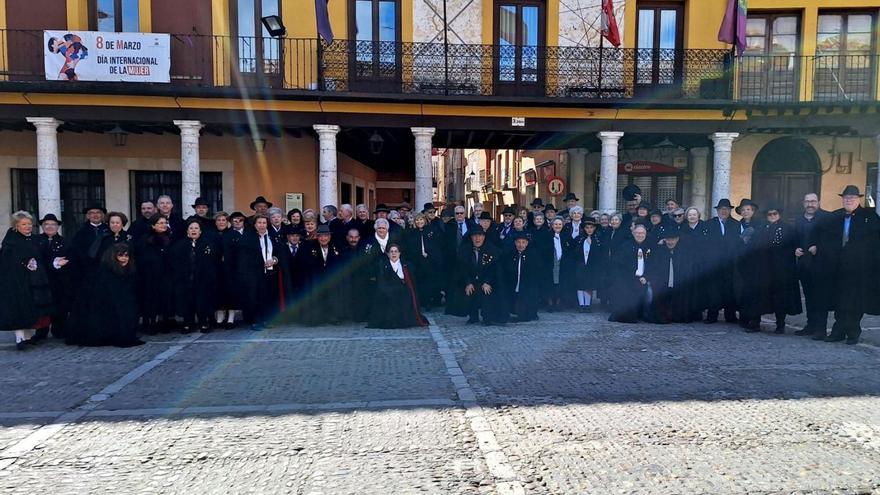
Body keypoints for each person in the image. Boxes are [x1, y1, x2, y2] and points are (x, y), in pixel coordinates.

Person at [815, 185, 880, 344]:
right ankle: (838, 331)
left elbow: (874, 243)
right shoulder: (834, 217)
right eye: (846, 198)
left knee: (855, 301)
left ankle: (853, 332)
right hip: (838, 267)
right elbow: (823, 237)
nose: (849, 200)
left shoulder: (869, 217)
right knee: (839, 299)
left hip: (859, 268)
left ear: (858, 199)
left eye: (852, 198)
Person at [68, 243, 144, 347]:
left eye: (126, 256)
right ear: (113, 257)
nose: (124, 259)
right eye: (120, 255)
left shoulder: (129, 272)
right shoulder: (105, 272)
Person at [0, 211, 54, 350]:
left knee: (31, 307)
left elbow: (43, 256)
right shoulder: (11, 240)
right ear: (16, 226)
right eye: (24, 224)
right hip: (16, 280)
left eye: (29, 224)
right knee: (19, 308)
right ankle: (20, 338)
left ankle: (29, 337)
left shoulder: (35, 239)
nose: (27, 226)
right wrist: (25, 263)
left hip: (34, 280)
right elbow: (7, 259)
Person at [793, 193, 833, 337]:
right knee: (809, 297)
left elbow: (832, 240)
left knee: (820, 297)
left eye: (813, 201)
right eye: (807, 201)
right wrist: (795, 249)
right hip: (805, 265)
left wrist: (819, 247)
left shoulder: (828, 218)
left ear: (819, 202)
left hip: (821, 265)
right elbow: (795, 238)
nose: (810, 204)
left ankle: (820, 329)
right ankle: (810, 326)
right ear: (803, 203)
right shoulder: (799, 219)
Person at [171, 219, 220, 333]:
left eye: (196, 228)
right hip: (185, 279)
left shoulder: (208, 244)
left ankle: (203, 322)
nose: (194, 230)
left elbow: (213, 262)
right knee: (187, 301)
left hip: (203, 279)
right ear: (187, 231)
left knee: (202, 301)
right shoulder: (180, 245)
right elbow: (175, 263)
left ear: (200, 231)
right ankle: (187, 323)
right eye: (191, 228)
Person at [759, 204, 802, 333]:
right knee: (766, 295)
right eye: (770, 214)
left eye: (775, 214)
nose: (772, 216)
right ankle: (757, 321)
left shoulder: (787, 228)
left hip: (782, 267)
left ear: (779, 214)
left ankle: (780, 324)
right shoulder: (763, 228)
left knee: (781, 296)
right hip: (766, 266)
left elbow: (794, 244)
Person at [235, 214, 280, 330]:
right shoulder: (248, 238)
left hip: (270, 272)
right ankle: (255, 321)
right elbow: (245, 258)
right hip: (253, 274)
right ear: (254, 224)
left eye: (264, 223)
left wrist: (274, 260)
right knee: (254, 297)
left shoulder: (272, 236)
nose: (262, 225)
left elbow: (280, 253)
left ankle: (267, 320)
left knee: (268, 297)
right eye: (259, 223)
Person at [455, 227, 507, 325]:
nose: (477, 239)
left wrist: (487, 282)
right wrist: (468, 282)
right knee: (468, 290)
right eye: (475, 236)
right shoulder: (465, 251)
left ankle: (487, 316)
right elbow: (462, 269)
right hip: (472, 280)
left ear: (484, 237)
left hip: (487, 281)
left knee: (488, 291)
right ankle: (473, 316)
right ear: (471, 238)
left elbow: (494, 270)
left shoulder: (492, 250)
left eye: (480, 236)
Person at [367, 243, 427, 328]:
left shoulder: (407, 265)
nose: (394, 254)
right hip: (388, 292)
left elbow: (411, 282)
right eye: (391, 252)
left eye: (396, 251)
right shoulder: (382, 266)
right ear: (388, 254)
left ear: (399, 253)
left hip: (403, 292)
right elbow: (382, 282)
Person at [135, 215, 176, 334]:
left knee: (165, 299)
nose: (163, 225)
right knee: (150, 300)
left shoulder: (170, 238)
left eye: (164, 222)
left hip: (166, 274)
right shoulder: (145, 239)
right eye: (160, 223)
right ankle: (150, 324)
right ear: (153, 225)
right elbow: (141, 257)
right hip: (149, 275)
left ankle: (164, 323)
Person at [646, 230, 695, 323]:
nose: (670, 242)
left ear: (677, 239)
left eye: (673, 239)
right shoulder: (659, 251)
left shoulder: (683, 251)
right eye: (668, 239)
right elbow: (653, 266)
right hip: (662, 282)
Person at [36, 213, 72, 340]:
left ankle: (59, 329)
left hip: (59, 280)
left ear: (57, 226)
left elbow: (68, 260)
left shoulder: (65, 242)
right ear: (42, 226)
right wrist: (53, 263)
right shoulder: (36, 241)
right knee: (42, 307)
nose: (50, 227)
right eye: (46, 224)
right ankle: (41, 331)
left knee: (60, 306)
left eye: (53, 224)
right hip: (41, 280)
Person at [704, 199, 740, 324]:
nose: (724, 211)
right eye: (721, 209)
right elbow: (706, 244)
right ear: (717, 211)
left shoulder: (736, 224)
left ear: (730, 211)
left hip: (730, 262)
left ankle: (730, 316)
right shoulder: (709, 224)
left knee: (730, 289)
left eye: (726, 209)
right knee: (713, 289)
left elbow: (739, 243)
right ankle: (712, 315)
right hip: (714, 262)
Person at [608, 224, 652, 323]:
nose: (640, 235)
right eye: (637, 233)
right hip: (628, 278)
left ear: (645, 234)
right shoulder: (625, 246)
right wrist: (633, 275)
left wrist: (646, 277)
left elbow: (654, 264)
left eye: (642, 233)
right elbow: (619, 265)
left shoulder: (650, 246)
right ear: (633, 234)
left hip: (646, 277)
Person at [734, 199, 766, 332]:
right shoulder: (737, 225)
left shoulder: (760, 225)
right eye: (743, 210)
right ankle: (744, 316)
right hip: (741, 262)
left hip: (756, 262)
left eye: (748, 209)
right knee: (742, 290)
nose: (745, 212)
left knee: (754, 291)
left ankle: (755, 320)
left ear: (752, 211)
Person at [301, 225, 342, 325]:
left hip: (331, 278)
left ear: (329, 237)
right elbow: (306, 263)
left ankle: (333, 317)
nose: (323, 238)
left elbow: (340, 263)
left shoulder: (335, 246)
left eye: (326, 236)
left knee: (333, 297)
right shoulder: (310, 246)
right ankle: (315, 319)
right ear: (317, 237)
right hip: (315, 277)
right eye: (321, 236)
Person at [405, 213, 444, 309]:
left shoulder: (432, 230)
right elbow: (410, 248)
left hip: (431, 261)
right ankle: (423, 301)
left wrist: (431, 255)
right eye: (417, 220)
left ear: (425, 220)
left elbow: (437, 245)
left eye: (421, 219)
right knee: (420, 282)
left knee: (431, 281)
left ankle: (432, 300)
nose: (419, 222)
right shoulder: (412, 233)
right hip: (418, 262)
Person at [504, 232, 540, 322]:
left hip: (527, 285)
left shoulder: (533, 255)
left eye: (523, 242)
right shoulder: (509, 255)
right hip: (513, 283)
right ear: (515, 243)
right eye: (519, 242)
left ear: (527, 243)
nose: (521, 245)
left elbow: (535, 272)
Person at [213, 212, 238, 329]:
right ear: (215, 222)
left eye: (223, 220)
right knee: (218, 291)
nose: (221, 222)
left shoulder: (233, 234)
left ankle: (231, 317)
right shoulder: (210, 234)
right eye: (219, 220)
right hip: (216, 268)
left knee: (231, 292)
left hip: (231, 268)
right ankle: (220, 315)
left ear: (227, 221)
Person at [574, 218, 603, 313]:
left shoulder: (597, 240)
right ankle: (581, 304)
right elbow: (575, 252)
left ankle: (587, 304)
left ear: (594, 228)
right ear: (584, 229)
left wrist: (593, 244)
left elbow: (599, 254)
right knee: (580, 285)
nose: (589, 229)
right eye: (587, 227)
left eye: (591, 227)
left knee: (589, 285)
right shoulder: (579, 239)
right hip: (580, 265)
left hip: (592, 266)